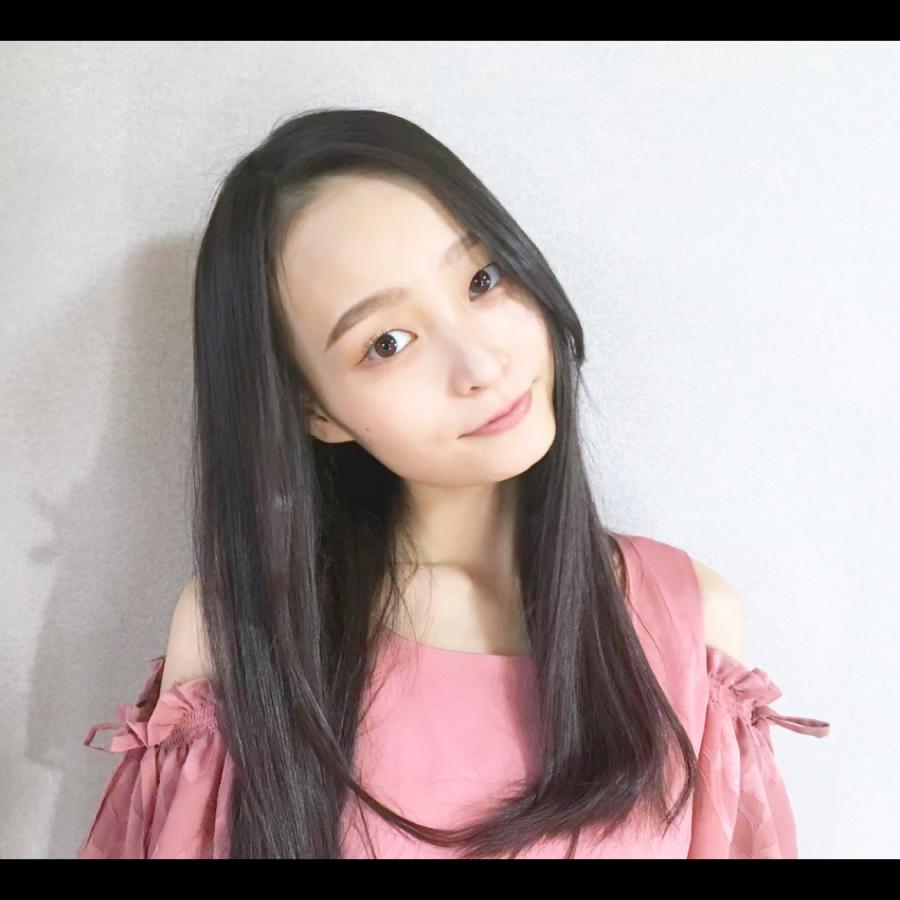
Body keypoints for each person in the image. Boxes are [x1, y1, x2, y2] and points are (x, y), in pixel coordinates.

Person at [76, 108, 830, 859]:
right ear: (315, 409)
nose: (481, 364)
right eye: (388, 341)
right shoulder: (244, 635)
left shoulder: (689, 623)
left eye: (482, 278)